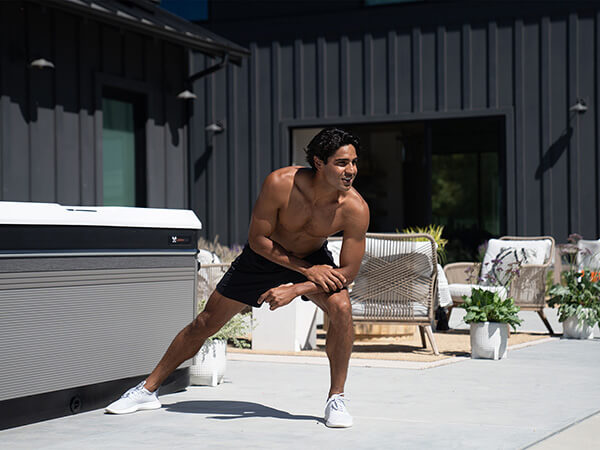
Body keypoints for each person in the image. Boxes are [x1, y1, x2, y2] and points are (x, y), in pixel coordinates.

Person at [105, 128, 370, 428]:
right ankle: (146, 390)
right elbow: (258, 240)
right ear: (319, 163)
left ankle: (336, 398)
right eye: (342, 163)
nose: (351, 171)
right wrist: (306, 271)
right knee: (205, 323)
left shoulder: (355, 208)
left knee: (342, 307)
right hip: (266, 256)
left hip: (312, 259)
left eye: (354, 162)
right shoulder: (281, 184)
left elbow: (348, 272)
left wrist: (296, 288)